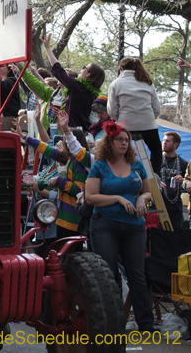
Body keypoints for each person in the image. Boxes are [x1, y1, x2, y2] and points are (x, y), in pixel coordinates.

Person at [85, 120, 156, 332]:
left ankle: (146, 324)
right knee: (108, 274)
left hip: (134, 226)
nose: (124, 144)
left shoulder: (137, 165)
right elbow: (90, 197)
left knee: (137, 275)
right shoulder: (99, 166)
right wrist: (117, 198)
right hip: (105, 225)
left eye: (127, 140)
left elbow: (147, 191)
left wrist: (142, 198)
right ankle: (111, 324)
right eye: (119, 140)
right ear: (110, 142)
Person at [14, 109, 92, 237]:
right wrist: (24, 136)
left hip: (73, 221)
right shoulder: (66, 159)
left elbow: (79, 190)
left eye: (63, 139)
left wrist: (59, 181)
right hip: (62, 219)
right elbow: (45, 148)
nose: (59, 142)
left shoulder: (80, 165)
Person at [107, 57, 162, 176]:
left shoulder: (116, 84)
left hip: (127, 126)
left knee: (124, 151)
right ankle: (156, 174)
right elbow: (157, 108)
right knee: (156, 149)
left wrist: (121, 118)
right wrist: (150, 118)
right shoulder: (147, 82)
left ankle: (125, 173)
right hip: (148, 125)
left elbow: (111, 110)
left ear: (121, 69)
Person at [41, 35, 105, 132]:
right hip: (81, 132)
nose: (82, 69)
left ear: (89, 74)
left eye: (85, 67)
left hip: (75, 133)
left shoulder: (79, 87)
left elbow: (58, 71)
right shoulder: (88, 91)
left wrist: (48, 48)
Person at [158, 131, 187, 232]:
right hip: (158, 207)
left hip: (175, 208)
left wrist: (183, 180)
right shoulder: (155, 161)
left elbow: (188, 182)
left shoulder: (183, 163)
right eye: (164, 140)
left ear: (176, 145)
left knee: (174, 239)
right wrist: (157, 182)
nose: (164, 143)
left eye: (168, 141)